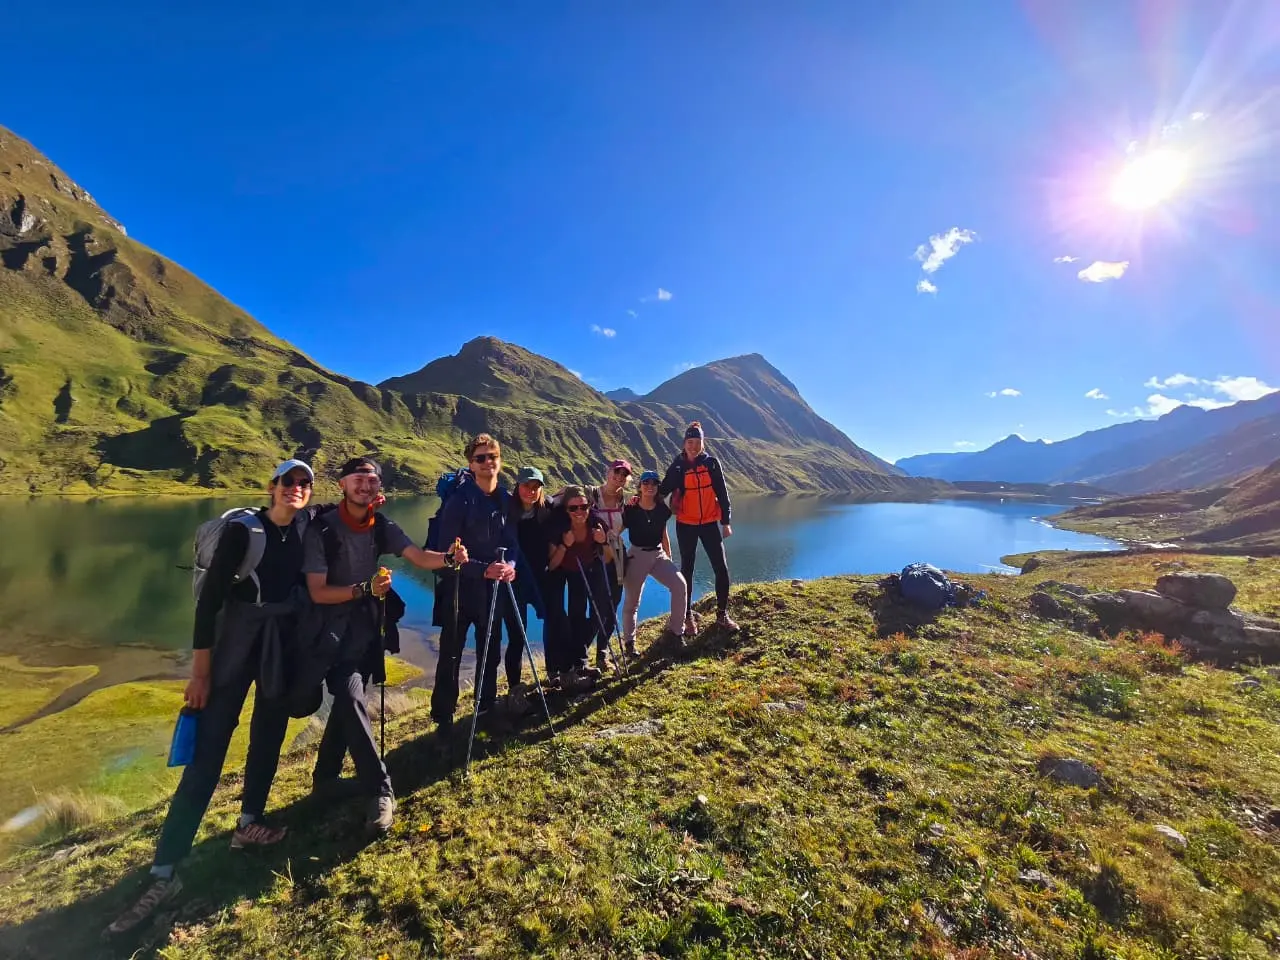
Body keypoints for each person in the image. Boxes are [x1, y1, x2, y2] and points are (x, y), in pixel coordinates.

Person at [106, 459, 317, 937]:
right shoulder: (245, 533)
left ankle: (249, 822)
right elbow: (208, 604)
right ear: (273, 487)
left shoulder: (303, 527)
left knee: (270, 727)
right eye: (289, 482)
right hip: (236, 640)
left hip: (277, 638)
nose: (297, 490)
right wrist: (200, 673)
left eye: (305, 484)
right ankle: (165, 869)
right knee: (210, 748)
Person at [303, 456, 466, 833]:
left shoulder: (381, 526)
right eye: (358, 479)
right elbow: (317, 591)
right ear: (342, 484)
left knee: (350, 699)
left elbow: (417, 557)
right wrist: (364, 589)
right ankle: (380, 790)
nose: (365, 485)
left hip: (366, 629)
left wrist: (449, 559)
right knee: (348, 693)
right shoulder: (322, 530)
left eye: (372, 480)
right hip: (326, 632)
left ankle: (324, 780)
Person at [430, 434, 519, 746]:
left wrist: (512, 566)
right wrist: (482, 569)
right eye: (480, 458)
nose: (487, 462)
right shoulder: (459, 501)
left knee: (490, 652)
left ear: (499, 460)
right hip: (458, 589)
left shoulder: (506, 499)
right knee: (450, 655)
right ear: (471, 463)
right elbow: (445, 551)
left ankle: (485, 710)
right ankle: (443, 721)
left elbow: (513, 541)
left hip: (492, 590)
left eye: (492, 456)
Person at [658, 421, 738, 632]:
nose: (693, 446)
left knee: (721, 568)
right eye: (690, 441)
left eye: (697, 441)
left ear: (703, 443)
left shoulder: (711, 463)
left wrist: (726, 522)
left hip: (710, 523)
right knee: (687, 570)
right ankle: (687, 617)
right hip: (686, 524)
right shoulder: (677, 466)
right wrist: (641, 502)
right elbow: (663, 490)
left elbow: (722, 493)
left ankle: (722, 615)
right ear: (684, 443)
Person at [501, 466, 564, 712]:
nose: (531, 490)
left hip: (540, 579)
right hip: (512, 582)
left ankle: (553, 672)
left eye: (536, 486)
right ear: (517, 486)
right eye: (526, 485)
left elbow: (568, 500)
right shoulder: (506, 511)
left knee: (553, 621)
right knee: (518, 635)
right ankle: (515, 690)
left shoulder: (546, 510)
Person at [549, 486, 612, 689]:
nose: (579, 512)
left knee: (596, 614)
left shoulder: (596, 523)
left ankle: (578, 660)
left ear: (589, 506)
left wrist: (603, 542)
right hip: (565, 570)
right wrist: (565, 545)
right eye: (573, 508)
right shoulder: (559, 527)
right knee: (568, 616)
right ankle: (572, 665)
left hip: (586, 568)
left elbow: (609, 558)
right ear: (566, 510)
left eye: (583, 506)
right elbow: (551, 564)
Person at [621, 470, 688, 655]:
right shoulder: (630, 509)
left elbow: (663, 532)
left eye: (653, 483)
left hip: (658, 555)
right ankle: (629, 643)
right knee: (632, 603)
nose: (649, 486)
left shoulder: (662, 509)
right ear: (640, 486)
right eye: (645, 483)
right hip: (636, 556)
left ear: (657, 487)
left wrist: (669, 556)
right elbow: (617, 530)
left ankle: (676, 633)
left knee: (680, 584)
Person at [578, 459, 632, 670]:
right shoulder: (591, 495)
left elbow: (627, 524)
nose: (618, 477)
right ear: (608, 472)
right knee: (597, 608)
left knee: (612, 606)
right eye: (615, 472)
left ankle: (602, 653)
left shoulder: (624, 501)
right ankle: (580, 654)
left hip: (617, 556)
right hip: (594, 558)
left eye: (623, 475)